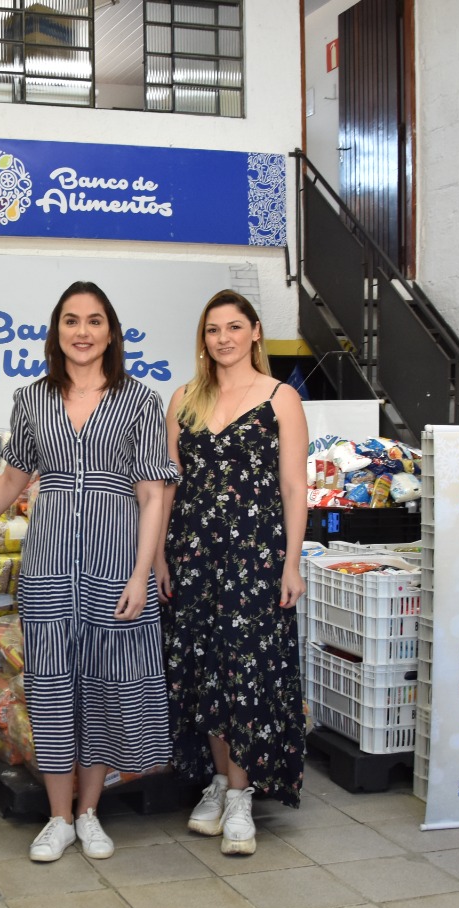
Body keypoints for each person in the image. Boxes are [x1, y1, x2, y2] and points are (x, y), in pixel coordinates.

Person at [0, 281, 179, 863]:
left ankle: (90, 812)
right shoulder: (32, 398)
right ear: (56, 331)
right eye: (71, 320)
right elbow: (13, 479)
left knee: (105, 686)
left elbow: (153, 493)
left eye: (94, 321)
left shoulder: (140, 400)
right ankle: (59, 818)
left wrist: (140, 574)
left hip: (116, 562)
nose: (82, 332)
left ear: (110, 332)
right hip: (49, 566)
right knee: (54, 688)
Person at [158, 290, 309, 856]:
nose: (223, 338)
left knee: (248, 670)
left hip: (256, 558)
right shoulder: (183, 399)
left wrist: (291, 562)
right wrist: (159, 557)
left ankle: (242, 796)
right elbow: (168, 484)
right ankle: (220, 782)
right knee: (205, 671)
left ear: (255, 332)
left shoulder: (280, 398)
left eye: (234, 327)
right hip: (193, 555)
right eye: (213, 329)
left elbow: (294, 487)